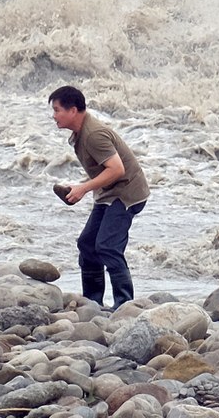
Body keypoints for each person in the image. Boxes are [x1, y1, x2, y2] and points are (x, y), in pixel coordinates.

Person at [49, 85, 149, 309]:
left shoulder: (94, 134)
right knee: (87, 244)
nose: (53, 116)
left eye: (57, 110)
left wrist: (83, 188)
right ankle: (93, 301)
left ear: (73, 110)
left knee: (107, 246)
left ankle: (125, 305)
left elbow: (117, 170)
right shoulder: (80, 132)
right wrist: (79, 189)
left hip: (127, 193)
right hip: (109, 193)